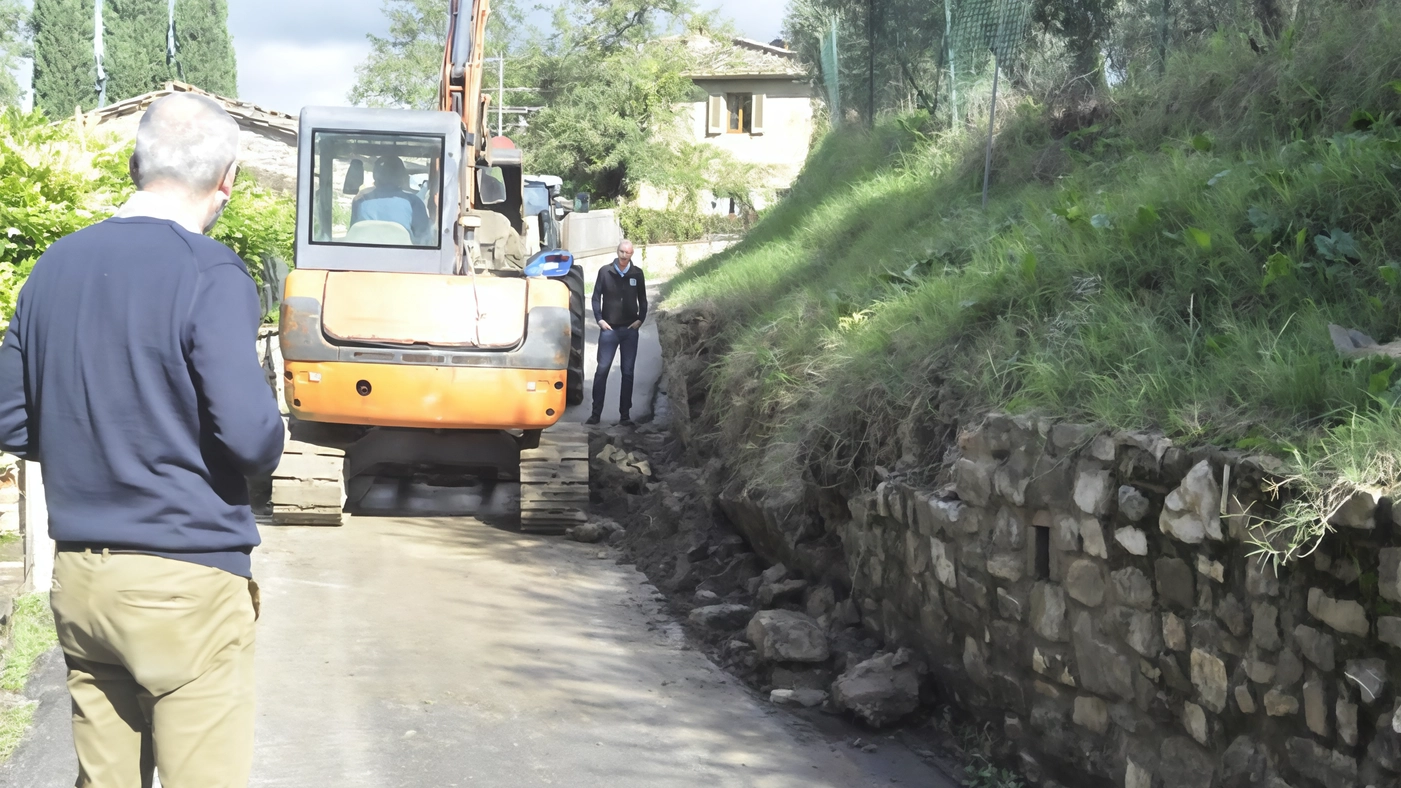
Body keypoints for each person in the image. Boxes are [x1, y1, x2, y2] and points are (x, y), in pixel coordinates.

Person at [0, 93, 285, 787]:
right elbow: (251, 439)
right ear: (229, 178)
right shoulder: (209, 272)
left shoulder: (54, 268)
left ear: (133, 164)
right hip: (184, 579)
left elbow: (9, 417)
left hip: (83, 579)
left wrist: (92, 440)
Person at [586, 240, 647, 426]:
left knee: (627, 373)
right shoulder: (605, 272)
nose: (624, 255)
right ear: (617, 251)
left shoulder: (637, 273)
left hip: (630, 330)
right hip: (609, 330)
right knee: (602, 371)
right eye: (621, 251)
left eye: (627, 253)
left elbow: (643, 299)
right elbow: (596, 298)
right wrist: (599, 319)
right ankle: (596, 414)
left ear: (632, 254)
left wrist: (640, 319)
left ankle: (625, 415)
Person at [350, 155, 433, 245]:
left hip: (363, 256)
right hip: (404, 257)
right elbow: (423, 240)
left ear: (374, 175)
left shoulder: (361, 200)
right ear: (403, 176)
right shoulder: (414, 202)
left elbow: (354, 235)